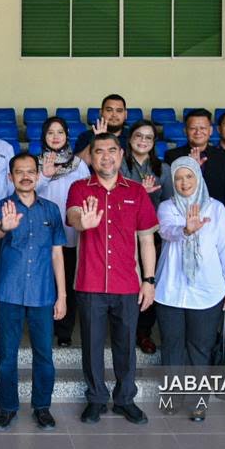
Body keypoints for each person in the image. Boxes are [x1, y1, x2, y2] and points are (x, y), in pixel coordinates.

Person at [67, 133, 158, 426]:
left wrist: (149, 280)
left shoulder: (136, 191)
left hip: (127, 284)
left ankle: (125, 399)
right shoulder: (79, 187)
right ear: (91, 158)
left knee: (125, 345)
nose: (105, 157)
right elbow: (73, 216)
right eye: (99, 152)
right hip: (90, 283)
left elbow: (146, 240)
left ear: (120, 155)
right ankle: (95, 399)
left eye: (111, 151)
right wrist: (85, 222)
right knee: (92, 347)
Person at [154, 156, 225, 421]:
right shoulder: (167, 207)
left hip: (207, 291)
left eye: (189, 176)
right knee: (172, 347)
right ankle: (172, 396)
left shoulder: (216, 209)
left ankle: (200, 400)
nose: (183, 182)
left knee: (200, 348)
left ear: (198, 178)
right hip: (171, 291)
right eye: (178, 178)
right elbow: (166, 231)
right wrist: (186, 230)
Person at [0, 153, 67, 431]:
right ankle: (8, 408)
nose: (25, 176)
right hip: (9, 293)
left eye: (30, 171)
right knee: (6, 355)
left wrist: (62, 296)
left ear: (37, 175)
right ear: (10, 176)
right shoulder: (0, 206)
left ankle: (42, 407)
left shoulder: (51, 210)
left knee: (44, 354)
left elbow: (58, 254)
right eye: (19, 171)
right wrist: (4, 226)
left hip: (43, 293)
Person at [36, 116, 90, 347]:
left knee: (67, 281)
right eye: (50, 132)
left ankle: (64, 331)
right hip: (42, 232)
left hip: (70, 233)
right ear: (43, 137)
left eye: (60, 132)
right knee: (43, 282)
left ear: (67, 135)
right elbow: (27, 193)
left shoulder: (79, 165)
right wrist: (44, 177)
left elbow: (88, 195)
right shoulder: (35, 164)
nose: (56, 136)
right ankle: (45, 328)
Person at [120, 120, 172, 355]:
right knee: (126, 286)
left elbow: (171, 203)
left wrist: (148, 198)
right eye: (138, 136)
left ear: (153, 143)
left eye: (148, 138)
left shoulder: (164, 169)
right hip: (122, 235)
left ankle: (144, 333)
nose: (143, 141)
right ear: (130, 139)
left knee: (149, 283)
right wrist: (138, 192)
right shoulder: (117, 165)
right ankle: (123, 332)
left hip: (153, 236)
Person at [163, 108, 225, 207]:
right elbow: (169, 191)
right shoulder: (172, 156)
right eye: (193, 128)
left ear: (210, 131)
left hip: (215, 213)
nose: (198, 132)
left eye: (203, 128)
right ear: (185, 131)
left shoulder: (223, 156)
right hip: (182, 212)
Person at [74, 94, 131, 166]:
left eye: (119, 111)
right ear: (101, 113)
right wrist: (96, 139)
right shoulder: (86, 136)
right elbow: (77, 166)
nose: (114, 114)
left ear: (125, 114)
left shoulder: (133, 136)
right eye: (109, 110)